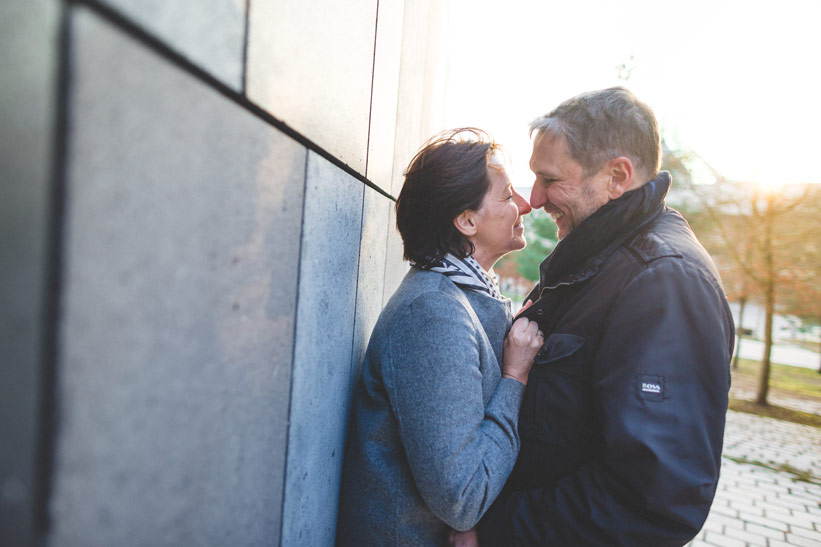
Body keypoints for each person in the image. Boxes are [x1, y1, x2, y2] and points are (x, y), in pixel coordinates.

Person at [453, 87, 735, 546]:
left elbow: (653, 500)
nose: (536, 199)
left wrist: (499, 529)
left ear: (616, 177)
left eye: (550, 179)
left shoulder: (665, 283)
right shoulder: (596, 259)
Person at [336, 128, 544, 546]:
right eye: (507, 197)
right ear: (466, 220)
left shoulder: (463, 297)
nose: (525, 205)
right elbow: (462, 499)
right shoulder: (433, 314)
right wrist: (515, 378)